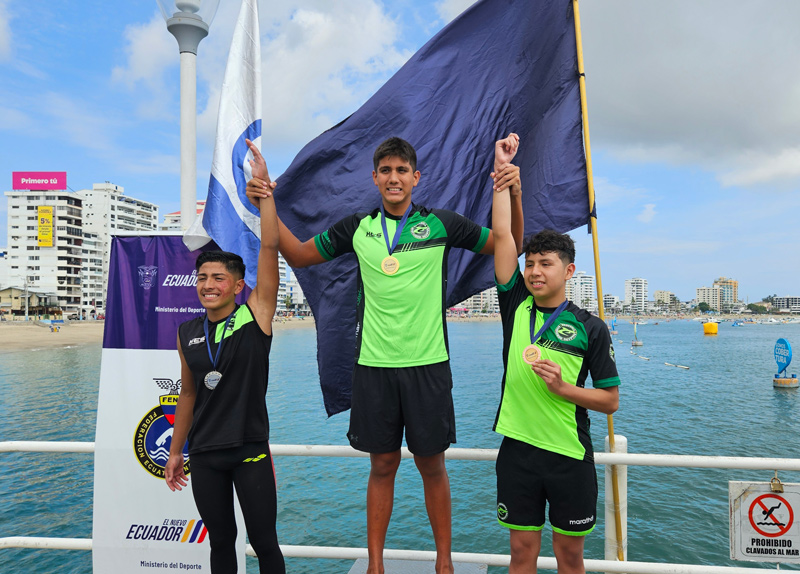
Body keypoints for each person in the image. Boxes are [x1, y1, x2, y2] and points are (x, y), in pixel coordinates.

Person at [246, 134, 523, 574]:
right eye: (386, 171)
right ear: (374, 178)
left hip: (428, 366)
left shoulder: (441, 224)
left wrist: (512, 187)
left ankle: (445, 564)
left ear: (416, 178)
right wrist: (266, 198)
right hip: (374, 369)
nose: (394, 178)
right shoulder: (358, 228)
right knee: (382, 466)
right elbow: (297, 254)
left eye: (402, 171)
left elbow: (508, 243)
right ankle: (375, 566)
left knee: (433, 467)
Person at [491, 182, 621, 574]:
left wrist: (565, 389)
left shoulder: (591, 327)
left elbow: (610, 401)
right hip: (517, 452)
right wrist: (504, 181)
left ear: (568, 271)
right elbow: (501, 236)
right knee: (521, 555)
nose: (533, 271)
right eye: (530, 263)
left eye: (545, 263)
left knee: (570, 558)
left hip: (569, 455)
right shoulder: (514, 304)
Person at [164, 163, 285, 574]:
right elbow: (189, 393)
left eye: (218, 277)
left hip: (249, 449)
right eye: (202, 277)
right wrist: (176, 450)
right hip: (205, 454)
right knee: (220, 543)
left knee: (265, 543)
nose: (208, 284)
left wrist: (266, 198)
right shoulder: (187, 332)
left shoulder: (256, 316)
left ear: (237, 285)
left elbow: (269, 250)